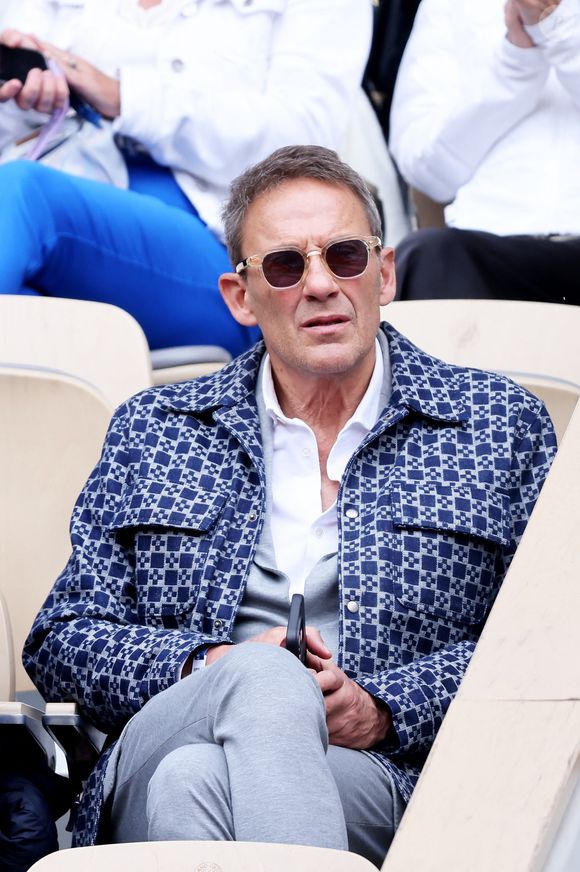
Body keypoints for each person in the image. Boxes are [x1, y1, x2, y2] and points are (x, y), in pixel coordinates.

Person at [23, 145, 556, 867]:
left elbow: (545, 647)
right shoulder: (158, 428)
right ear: (239, 296)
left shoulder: (496, 425)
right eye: (284, 266)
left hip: (382, 772)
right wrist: (212, 667)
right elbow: (61, 640)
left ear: (386, 272)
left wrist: (383, 709)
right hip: (164, 739)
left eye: (343, 256)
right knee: (250, 690)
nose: (320, 285)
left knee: (197, 786)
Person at [0, 0, 372, 357]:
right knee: (22, 314)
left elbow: (298, 149)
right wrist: (27, 101)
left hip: (225, 255)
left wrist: (124, 97)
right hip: (50, 227)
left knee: (23, 191)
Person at [388, 0, 580, 305]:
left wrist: (559, 30)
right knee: (424, 258)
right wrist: (516, 63)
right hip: (486, 249)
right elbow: (424, 167)